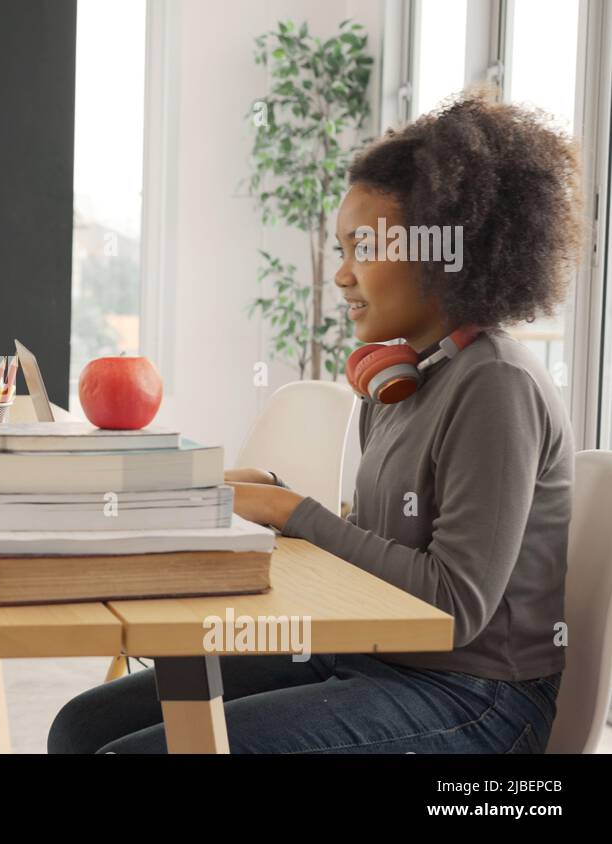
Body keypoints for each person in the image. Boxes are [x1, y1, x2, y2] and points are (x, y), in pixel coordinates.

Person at [49, 90, 579, 753]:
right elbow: (384, 546)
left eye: (363, 247)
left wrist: (293, 510)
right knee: (80, 729)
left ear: (444, 252)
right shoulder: (400, 378)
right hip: (370, 653)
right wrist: (269, 495)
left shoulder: (495, 385)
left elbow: (453, 605)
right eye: (340, 248)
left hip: (475, 698)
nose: (342, 276)